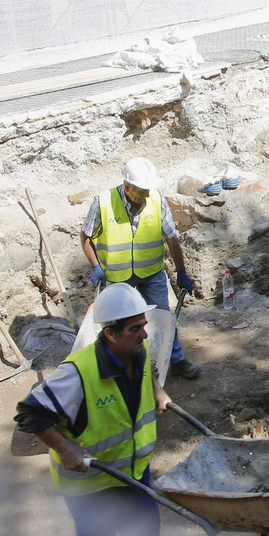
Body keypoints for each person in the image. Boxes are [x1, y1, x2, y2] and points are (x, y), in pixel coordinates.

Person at [15, 283, 182, 536]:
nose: (144, 335)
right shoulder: (77, 374)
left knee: (145, 533)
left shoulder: (135, 351)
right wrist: (66, 449)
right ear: (111, 334)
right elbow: (29, 414)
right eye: (135, 329)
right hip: (91, 481)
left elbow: (144, 371)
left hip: (130, 469)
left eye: (143, 326)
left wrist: (157, 389)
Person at [83, 158, 201, 379]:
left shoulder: (156, 199)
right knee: (121, 324)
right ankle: (124, 368)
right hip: (118, 277)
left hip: (151, 272)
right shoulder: (102, 202)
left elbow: (172, 238)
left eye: (148, 190)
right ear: (127, 186)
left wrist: (181, 271)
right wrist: (95, 266)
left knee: (163, 316)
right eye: (141, 191)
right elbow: (86, 237)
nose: (146, 195)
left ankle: (175, 359)